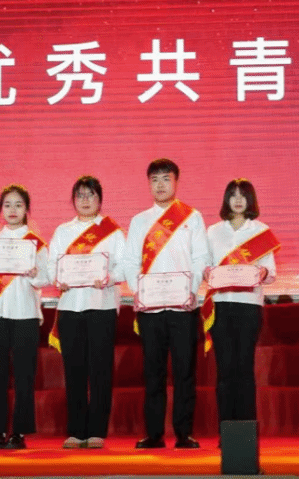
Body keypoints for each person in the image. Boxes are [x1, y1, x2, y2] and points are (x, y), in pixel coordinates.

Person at [122, 158, 210, 449]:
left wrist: (189, 290)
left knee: (185, 371)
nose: (160, 185)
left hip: (183, 308)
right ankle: (154, 434)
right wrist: (140, 291)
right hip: (150, 309)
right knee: (153, 372)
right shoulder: (139, 221)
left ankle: (184, 433)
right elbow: (130, 261)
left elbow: (201, 258)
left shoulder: (192, 217)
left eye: (166, 178)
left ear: (176, 182)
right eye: (155, 179)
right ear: (148, 184)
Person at [47, 175, 126, 449]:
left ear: (100, 199)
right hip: (70, 307)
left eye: (91, 195)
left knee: (101, 369)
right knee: (74, 370)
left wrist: (108, 277)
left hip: (101, 305)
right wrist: (58, 279)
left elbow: (125, 266)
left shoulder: (112, 232)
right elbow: (52, 265)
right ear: (73, 200)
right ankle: (76, 430)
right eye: (80, 195)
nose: (85, 200)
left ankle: (96, 431)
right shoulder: (63, 231)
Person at [0, 184, 49, 450]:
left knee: (24, 377)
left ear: (26, 209)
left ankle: (19, 432)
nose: (13, 210)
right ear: (0, 210)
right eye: (7, 205)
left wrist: (35, 275)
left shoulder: (36, 244)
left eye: (18, 204)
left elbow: (46, 278)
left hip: (25, 315)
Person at [203, 179, 278, 432]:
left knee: (244, 369)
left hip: (248, 306)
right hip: (221, 306)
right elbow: (204, 266)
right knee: (225, 370)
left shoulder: (261, 231)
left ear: (250, 200)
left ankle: (245, 435)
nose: (237, 200)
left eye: (243, 195)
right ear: (226, 199)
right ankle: (227, 432)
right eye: (232, 195)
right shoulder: (213, 232)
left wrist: (262, 272)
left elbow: (271, 273)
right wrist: (206, 272)